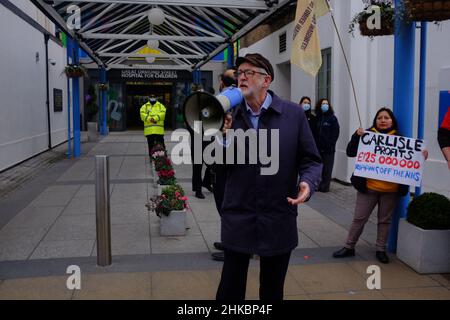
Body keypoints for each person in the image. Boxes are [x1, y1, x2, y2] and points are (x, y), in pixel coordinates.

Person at [216, 53, 322, 301]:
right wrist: (221, 136)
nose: (242, 77)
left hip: (278, 215)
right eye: (239, 73)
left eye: (249, 72)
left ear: (267, 80)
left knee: (273, 289)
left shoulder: (293, 115)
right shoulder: (229, 115)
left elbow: (311, 159)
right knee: (230, 289)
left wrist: (307, 182)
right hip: (238, 215)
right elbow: (216, 165)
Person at [333, 107, 428, 264]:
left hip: (390, 191)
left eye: (386, 118)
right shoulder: (366, 135)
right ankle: (349, 246)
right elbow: (350, 152)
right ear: (375, 121)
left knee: (384, 220)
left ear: (392, 121)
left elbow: (410, 162)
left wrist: (420, 156)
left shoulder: (400, 140)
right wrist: (356, 137)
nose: (383, 120)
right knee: (359, 218)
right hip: (367, 188)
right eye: (380, 118)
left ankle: (380, 249)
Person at [210, 69, 238, 262]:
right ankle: (228, 240)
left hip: (230, 162)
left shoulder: (235, 101)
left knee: (227, 205)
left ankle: (233, 246)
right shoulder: (228, 99)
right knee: (222, 202)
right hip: (220, 158)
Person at [314, 98, 340, 192]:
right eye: (323, 104)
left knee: (327, 169)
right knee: (318, 168)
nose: (325, 105)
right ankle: (317, 185)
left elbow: (335, 133)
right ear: (319, 106)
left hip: (329, 149)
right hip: (318, 148)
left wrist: (330, 144)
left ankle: (325, 187)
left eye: (326, 104)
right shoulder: (317, 118)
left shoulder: (332, 118)